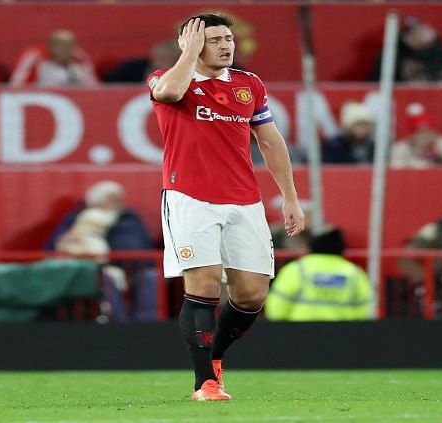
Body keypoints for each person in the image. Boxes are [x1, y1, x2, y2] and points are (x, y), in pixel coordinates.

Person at [147, 14, 305, 401]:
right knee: (202, 286)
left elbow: (270, 142)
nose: (226, 45)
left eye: (228, 38)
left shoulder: (248, 85)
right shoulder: (167, 78)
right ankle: (204, 383)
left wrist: (290, 196)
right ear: (193, 43)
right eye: (214, 39)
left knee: (252, 295)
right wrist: (187, 54)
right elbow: (167, 94)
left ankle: (214, 358)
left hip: (244, 200)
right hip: (189, 197)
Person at [45, 180, 158, 322]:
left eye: (117, 199)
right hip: (96, 269)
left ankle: (146, 325)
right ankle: (119, 326)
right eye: (109, 199)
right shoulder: (77, 219)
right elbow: (52, 247)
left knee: (151, 276)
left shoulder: (130, 219)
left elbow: (147, 247)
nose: (115, 203)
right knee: (105, 278)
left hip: (135, 268)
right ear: (93, 202)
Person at [265, 229, 373, 321]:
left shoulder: (296, 269)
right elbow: (365, 307)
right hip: (343, 335)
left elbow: (277, 306)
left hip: (299, 333)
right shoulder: (353, 272)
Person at [369, 17, 442, 82]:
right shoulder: (391, 58)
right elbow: (376, 83)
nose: (419, 36)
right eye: (412, 34)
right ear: (404, 37)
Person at [10, 29, 98, 86]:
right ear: (49, 45)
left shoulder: (79, 57)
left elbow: (93, 86)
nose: (65, 49)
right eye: (60, 44)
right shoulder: (33, 56)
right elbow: (16, 85)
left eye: (70, 45)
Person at [389, 102, 442, 168]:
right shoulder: (400, 149)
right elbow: (396, 167)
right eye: (422, 133)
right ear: (412, 136)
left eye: (428, 131)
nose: (426, 136)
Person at [104, 40, 180, 83]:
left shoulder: (185, 72)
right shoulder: (133, 68)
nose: (165, 61)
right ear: (152, 57)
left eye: (169, 58)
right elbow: (110, 82)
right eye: (161, 58)